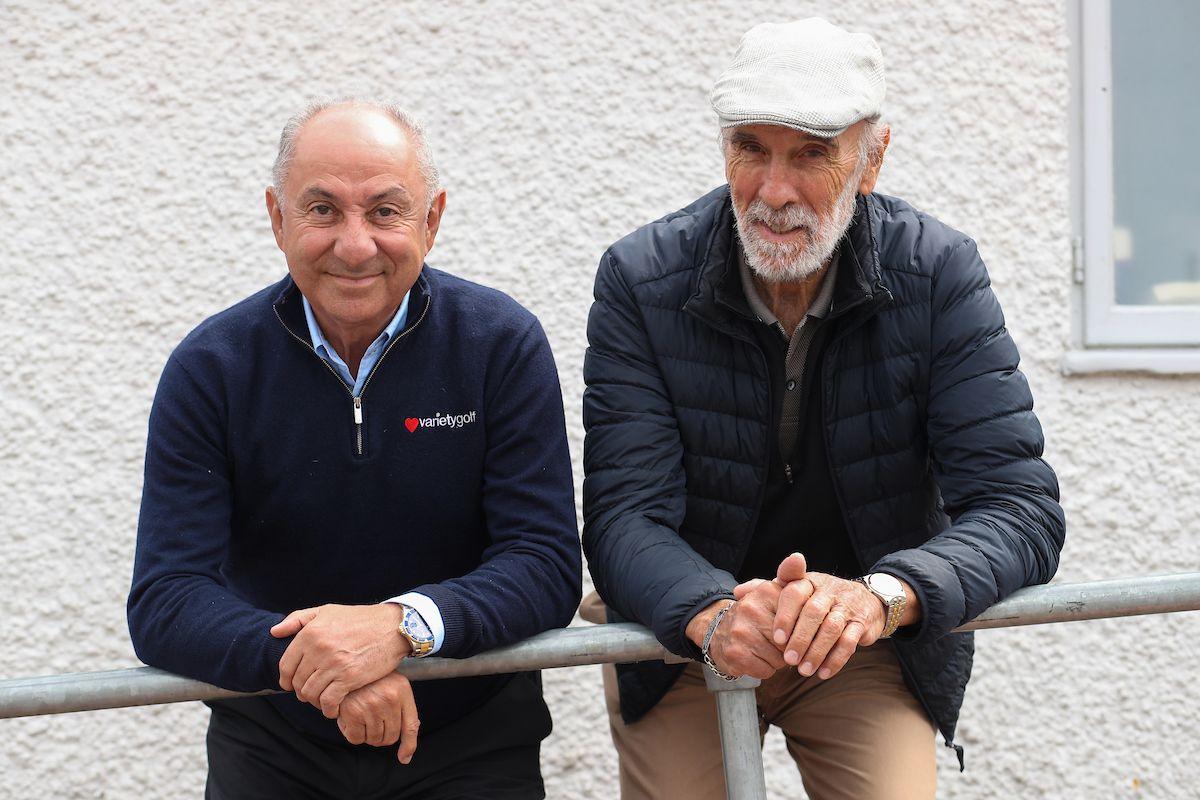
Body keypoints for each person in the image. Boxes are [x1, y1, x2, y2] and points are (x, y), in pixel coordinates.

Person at [581, 18, 1065, 800]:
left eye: (811, 153)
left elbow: (1020, 508)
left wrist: (881, 599)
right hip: (684, 626)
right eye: (751, 148)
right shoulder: (641, 278)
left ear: (871, 160)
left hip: (859, 631)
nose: (774, 191)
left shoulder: (938, 273)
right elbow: (621, 516)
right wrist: (708, 612)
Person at [127, 98, 581, 800]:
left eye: (385, 212)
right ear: (278, 219)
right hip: (275, 742)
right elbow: (166, 599)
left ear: (432, 221)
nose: (355, 244)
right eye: (323, 210)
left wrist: (400, 628)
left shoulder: (499, 345)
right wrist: (328, 673)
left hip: (472, 738)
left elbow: (545, 563)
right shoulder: (212, 366)